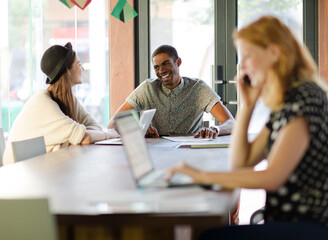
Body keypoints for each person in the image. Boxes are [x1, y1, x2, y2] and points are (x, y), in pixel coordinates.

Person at [167, 15, 328, 231]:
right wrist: (247, 105)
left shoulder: (303, 98)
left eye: (247, 56)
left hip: (305, 229)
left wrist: (201, 176)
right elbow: (240, 164)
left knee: (208, 236)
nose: (241, 66)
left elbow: (273, 177)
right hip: (289, 224)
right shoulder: (288, 101)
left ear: (274, 52)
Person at [3, 42, 119, 165]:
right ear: (67, 71)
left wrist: (77, 138)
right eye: (79, 64)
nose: (83, 69)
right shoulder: (42, 102)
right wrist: (110, 134)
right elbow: (86, 137)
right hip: (17, 175)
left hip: (42, 169)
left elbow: (95, 128)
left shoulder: (69, 99)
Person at [108, 45, 235, 138]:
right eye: (156, 67)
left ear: (178, 62)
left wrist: (215, 129)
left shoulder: (198, 88)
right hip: (156, 150)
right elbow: (113, 123)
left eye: (165, 64)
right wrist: (139, 129)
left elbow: (231, 123)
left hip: (190, 151)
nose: (161, 71)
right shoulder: (147, 88)